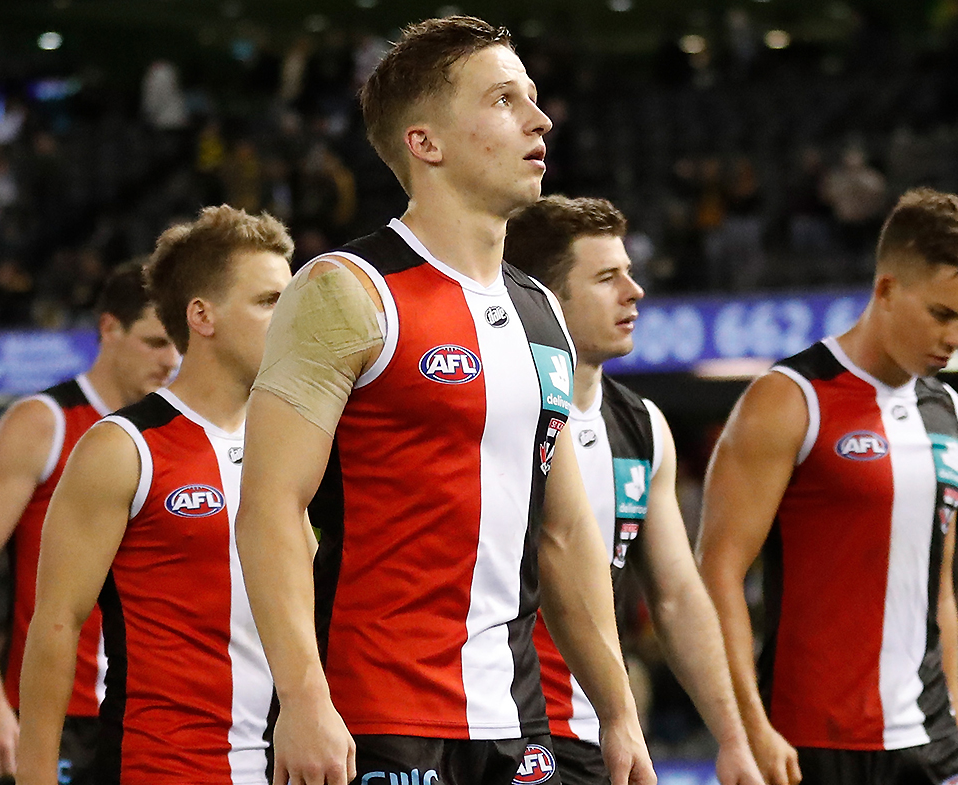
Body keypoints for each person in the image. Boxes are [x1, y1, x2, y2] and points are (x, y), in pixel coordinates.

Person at [234, 17, 654, 785]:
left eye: (532, 97)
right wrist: (302, 696)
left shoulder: (543, 314)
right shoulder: (346, 290)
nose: (540, 119)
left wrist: (617, 712)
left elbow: (562, 534)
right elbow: (269, 506)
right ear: (425, 142)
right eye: (503, 100)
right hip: (376, 721)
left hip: (520, 723)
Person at [697, 187, 958, 785]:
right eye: (943, 314)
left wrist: (956, 723)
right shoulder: (788, 400)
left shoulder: (952, 415)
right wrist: (748, 728)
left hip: (933, 741)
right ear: (886, 289)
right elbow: (717, 572)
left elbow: (937, 590)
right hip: (813, 742)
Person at [14, 205, 293, 785]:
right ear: (202, 316)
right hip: (162, 768)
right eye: (269, 301)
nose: (290, 317)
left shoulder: (296, 443)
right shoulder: (122, 448)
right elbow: (56, 625)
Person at [504, 196, 763, 785]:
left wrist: (731, 737)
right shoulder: (499, 411)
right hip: (505, 730)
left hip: (602, 736)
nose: (634, 291)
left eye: (629, 271)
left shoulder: (644, 427)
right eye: (606, 278)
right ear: (546, 300)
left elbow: (676, 594)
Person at [0, 262, 179, 782]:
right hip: (56, 711)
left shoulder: (175, 429)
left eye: (179, 344)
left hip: (152, 713)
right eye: (154, 342)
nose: (171, 360)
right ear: (109, 329)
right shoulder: (43, 423)